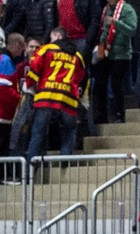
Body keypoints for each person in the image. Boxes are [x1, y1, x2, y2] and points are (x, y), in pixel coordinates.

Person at [24, 28, 86, 166]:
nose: (50, 40)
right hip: (68, 100)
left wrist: (28, 83)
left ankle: (29, 171)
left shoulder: (47, 49)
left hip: (46, 98)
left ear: (58, 36)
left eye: (51, 37)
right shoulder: (78, 56)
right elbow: (80, 77)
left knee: (38, 134)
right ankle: (64, 164)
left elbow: (34, 67)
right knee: (68, 133)